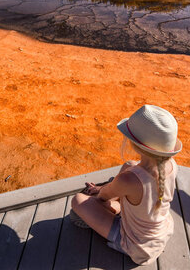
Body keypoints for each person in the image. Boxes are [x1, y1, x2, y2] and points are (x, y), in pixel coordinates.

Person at [71, 104, 182, 266]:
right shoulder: (172, 164)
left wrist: (98, 191)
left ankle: (113, 209)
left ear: (135, 144)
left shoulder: (129, 180)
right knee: (130, 164)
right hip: (159, 231)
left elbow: (102, 196)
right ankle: (117, 206)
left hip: (137, 246)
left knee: (78, 200)